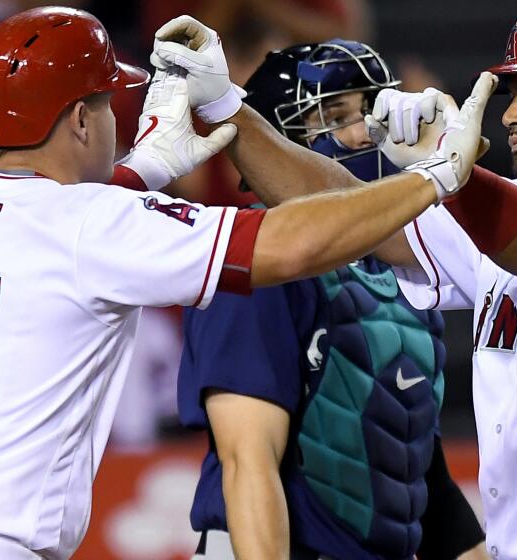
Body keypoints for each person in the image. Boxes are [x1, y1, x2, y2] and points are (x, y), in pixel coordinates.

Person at [0, 6, 495, 560]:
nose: (117, 117)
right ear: (80, 119)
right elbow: (292, 243)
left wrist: (142, 169)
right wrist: (432, 179)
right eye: (106, 103)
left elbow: (54, 232)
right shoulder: (90, 224)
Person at [151, 5, 517, 560]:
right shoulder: (514, 220)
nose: (509, 114)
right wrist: (228, 105)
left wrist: (456, 175)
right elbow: (347, 211)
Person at [178, 40, 485, 560]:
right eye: (338, 115)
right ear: (278, 143)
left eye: (371, 109)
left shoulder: (408, 265)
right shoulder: (259, 261)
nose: (367, 131)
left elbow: (408, 459)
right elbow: (247, 459)